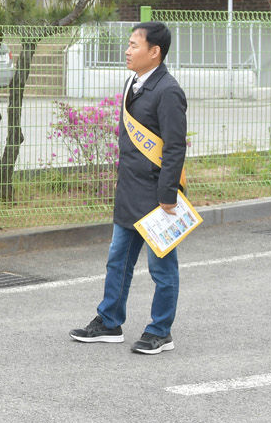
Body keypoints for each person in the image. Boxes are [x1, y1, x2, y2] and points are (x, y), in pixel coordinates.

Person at [71, 21, 187, 355]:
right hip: (129, 191)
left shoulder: (168, 90)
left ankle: (160, 331)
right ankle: (109, 321)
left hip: (156, 195)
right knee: (117, 260)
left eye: (134, 45)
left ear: (155, 52)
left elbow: (175, 147)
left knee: (161, 268)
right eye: (129, 44)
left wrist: (168, 195)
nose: (127, 50)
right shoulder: (132, 83)